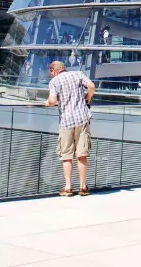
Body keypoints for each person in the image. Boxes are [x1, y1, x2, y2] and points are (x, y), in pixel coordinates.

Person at [46, 60, 96, 197]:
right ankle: (83, 186)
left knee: (66, 155)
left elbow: (52, 101)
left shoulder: (54, 82)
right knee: (82, 154)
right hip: (82, 118)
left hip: (66, 121)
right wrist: (87, 98)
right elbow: (91, 86)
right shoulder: (77, 74)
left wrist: (48, 103)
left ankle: (68, 187)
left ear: (53, 71)